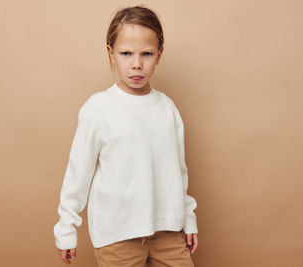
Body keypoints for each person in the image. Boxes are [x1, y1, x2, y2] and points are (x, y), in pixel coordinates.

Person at [53, 4, 199, 266]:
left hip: (168, 232)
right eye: (126, 53)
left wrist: (188, 218)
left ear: (159, 54)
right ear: (110, 53)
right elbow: (78, 173)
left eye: (146, 53)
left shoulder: (167, 108)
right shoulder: (98, 109)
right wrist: (66, 227)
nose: (136, 64)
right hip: (117, 238)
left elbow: (178, 170)